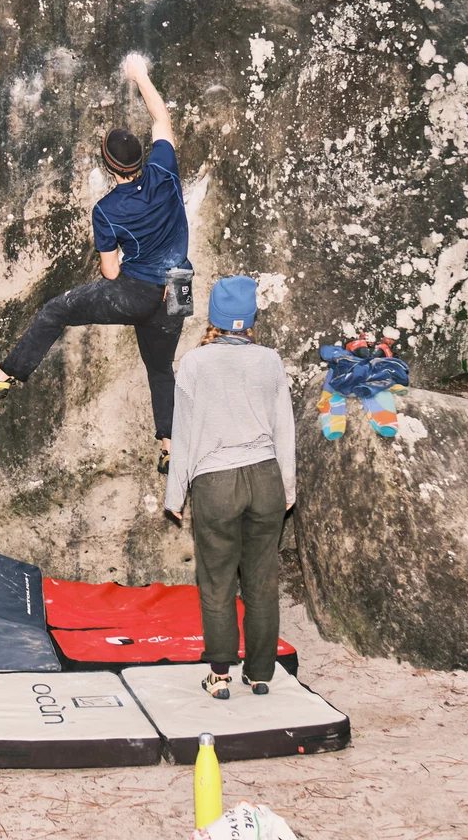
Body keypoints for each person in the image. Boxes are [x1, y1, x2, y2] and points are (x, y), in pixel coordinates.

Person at [0, 53, 191, 471]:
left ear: (109, 166)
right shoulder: (165, 170)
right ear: (142, 158)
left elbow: (110, 272)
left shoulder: (106, 210)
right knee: (161, 368)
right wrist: (140, 75)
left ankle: (5, 377)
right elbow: (161, 118)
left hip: (137, 292)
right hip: (179, 287)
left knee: (57, 310)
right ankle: (170, 448)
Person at [162, 275, 295, 701]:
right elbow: (284, 429)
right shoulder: (269, 360)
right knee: (261, 581)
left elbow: (183, 434)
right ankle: (260, 675)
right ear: (250, 318)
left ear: (214, 318)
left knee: (217, 581)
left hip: (216, 482)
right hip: (266, 478)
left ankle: (219, 676)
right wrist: (287, 488)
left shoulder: (194, 363)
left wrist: (174, 495)